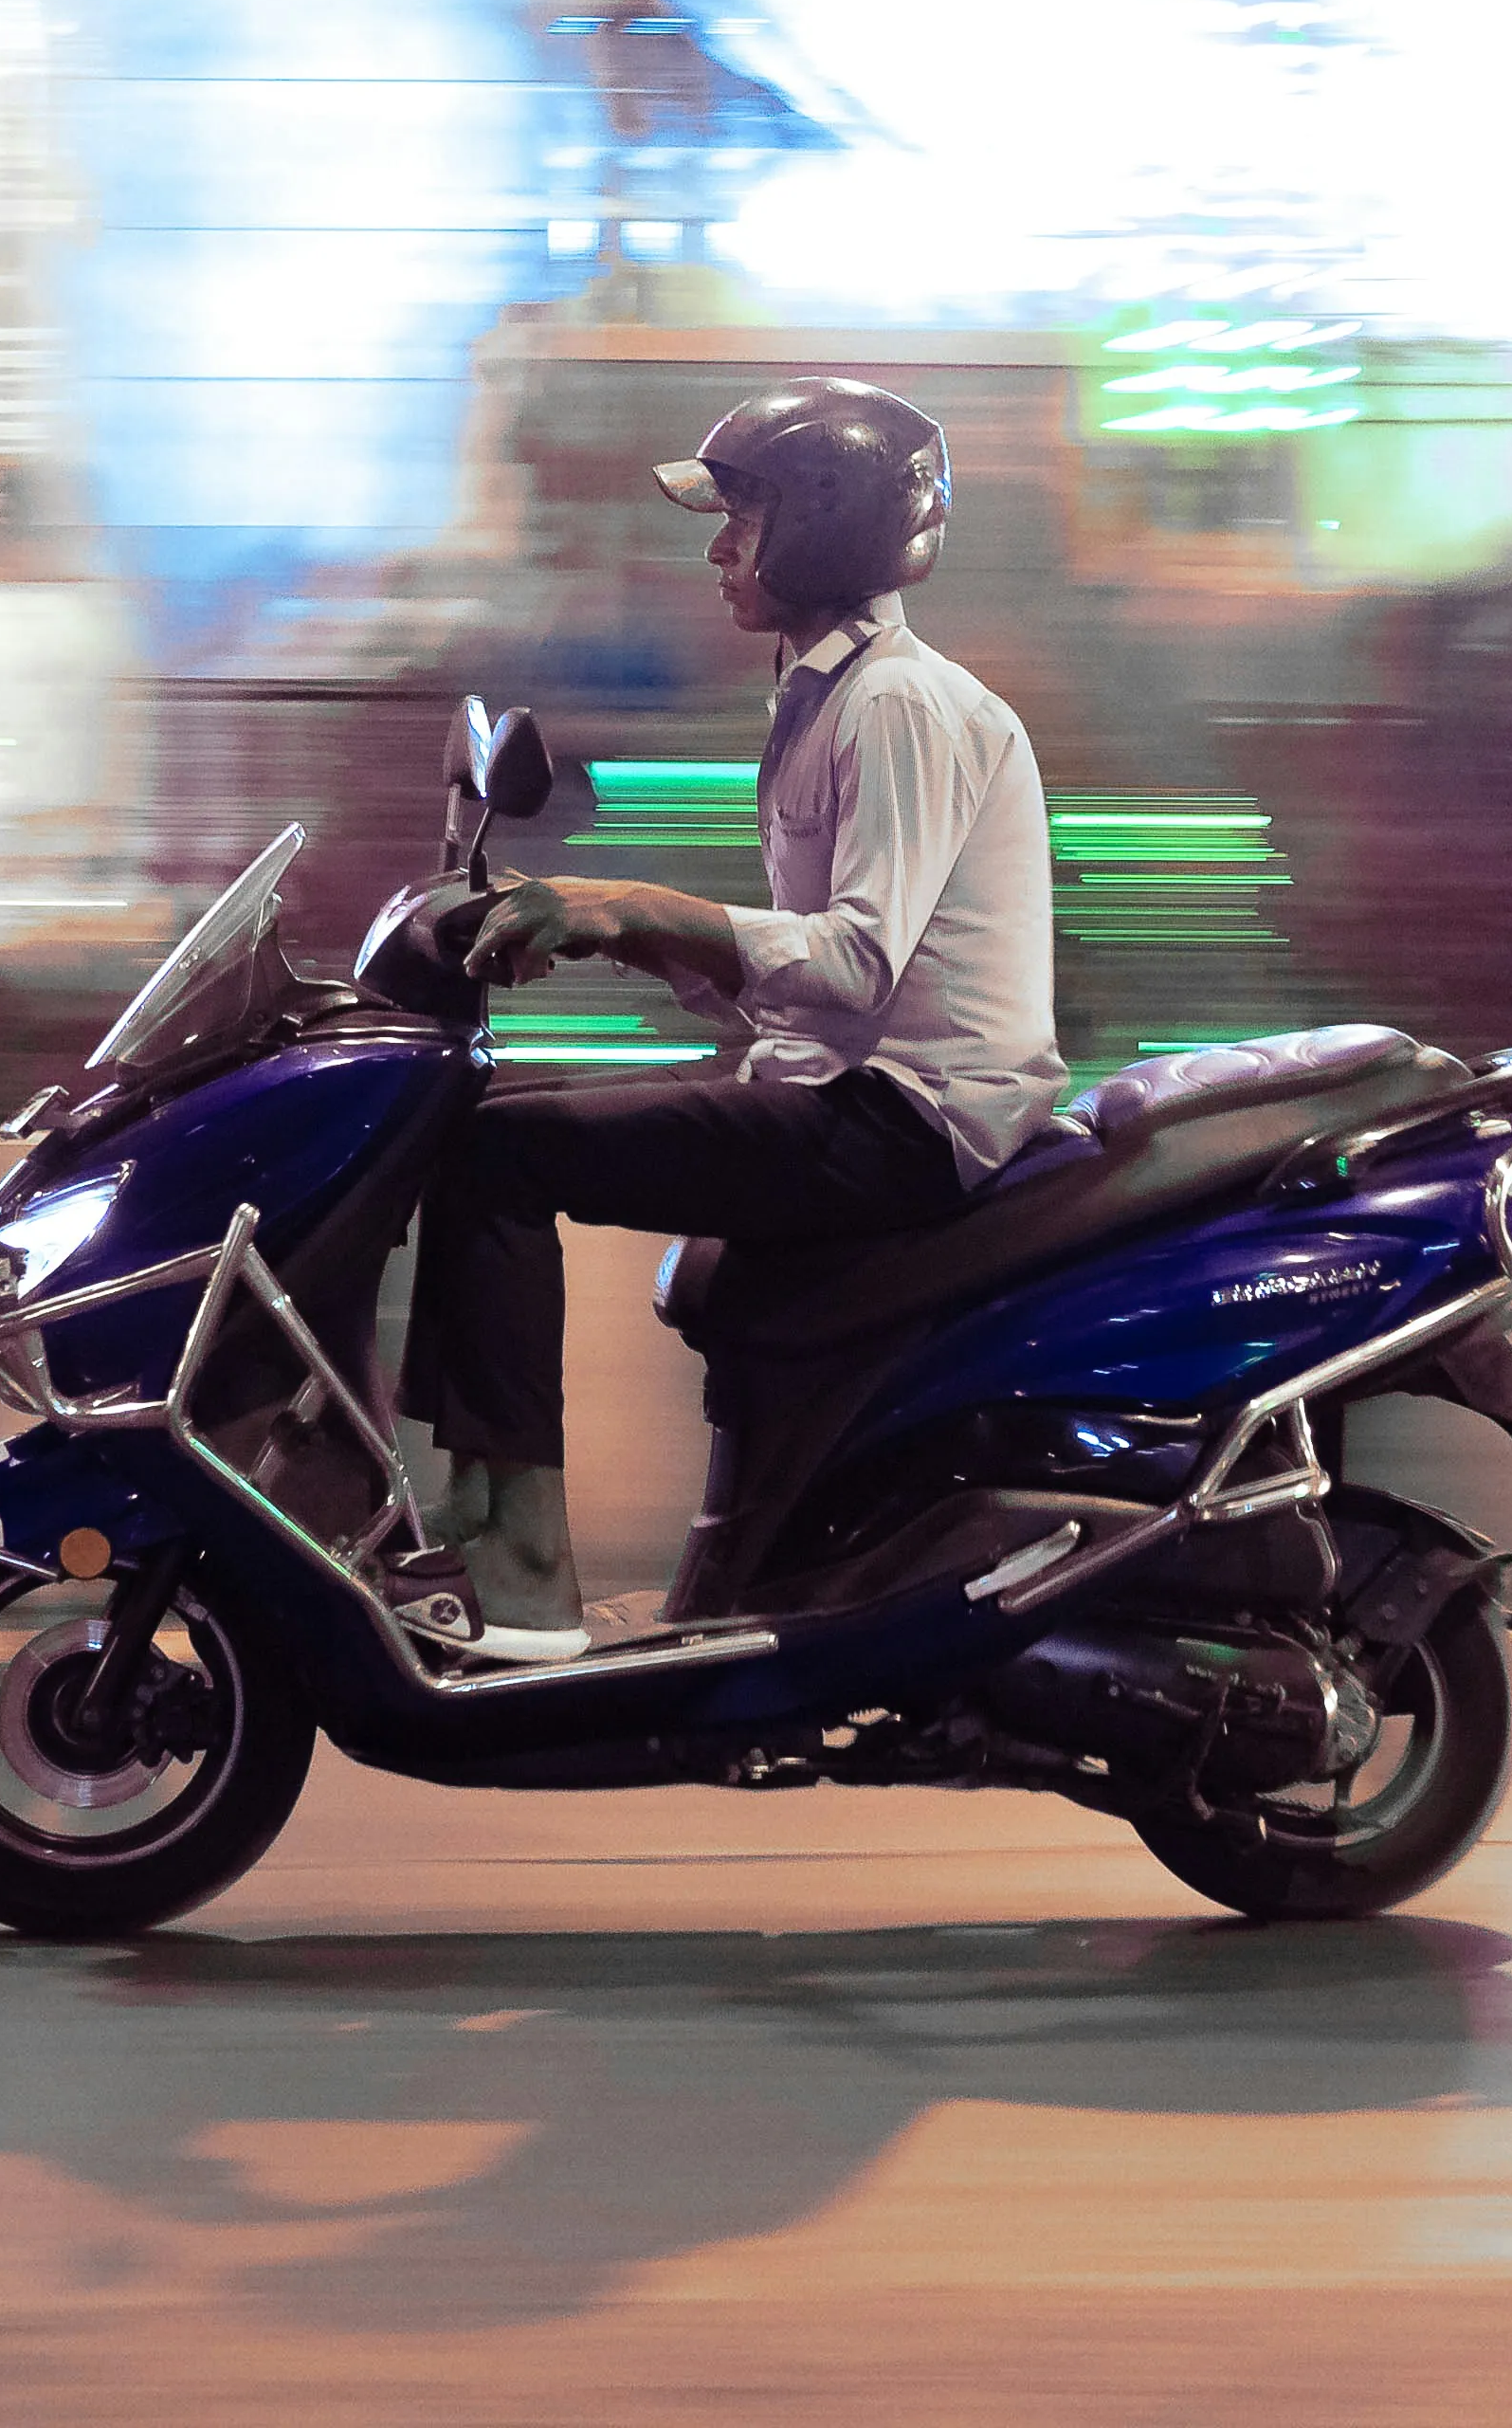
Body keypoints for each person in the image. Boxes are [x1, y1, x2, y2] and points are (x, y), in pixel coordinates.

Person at [401, 377, 1063, 1660]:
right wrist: (626, 935)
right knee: (469, 1122)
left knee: (495, 1153)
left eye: (742, 518)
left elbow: (861, 961)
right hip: (843, 1093)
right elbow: (798, 971)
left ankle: (524, 1560)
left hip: (905, 1124)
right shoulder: (825, 694)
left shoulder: (899, 705)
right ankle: (479, 1503)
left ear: (826, 527)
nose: (718, 550)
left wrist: (635, 905)